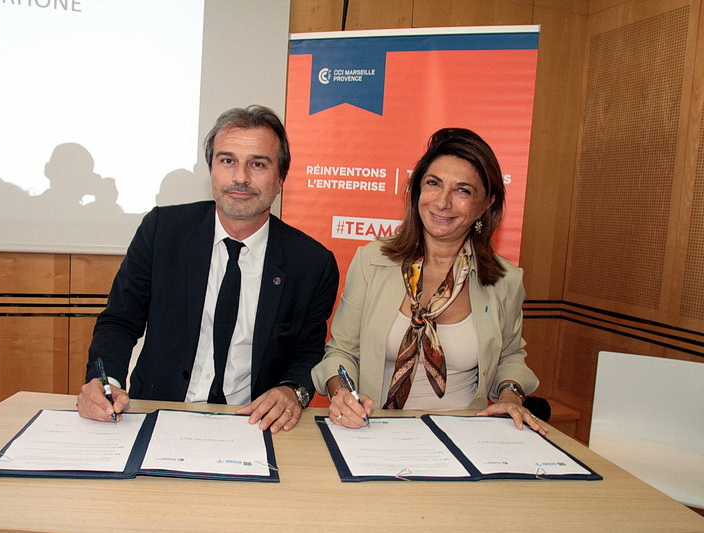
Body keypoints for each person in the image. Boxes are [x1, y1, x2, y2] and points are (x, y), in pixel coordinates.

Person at [77, 105, 339, 433]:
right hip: (158, 412)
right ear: (212, 170)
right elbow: (120, 321)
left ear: (280, 180)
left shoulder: (311, 263)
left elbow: (307, 349)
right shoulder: (163, 231)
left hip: (253, 424)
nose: (240, 178)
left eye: (257, 164)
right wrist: (104, 382)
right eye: (227, 161)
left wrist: (291, 391)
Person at [312, 127, 546, 434]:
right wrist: (341, 393)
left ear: (487, 204)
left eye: (463, 191)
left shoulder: (505, 280)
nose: (442, 202)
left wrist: (509, 394)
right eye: (433, 184)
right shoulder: (372, 261)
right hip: (374, 430)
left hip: (466, 434)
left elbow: (511, 357)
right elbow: (340, 352)